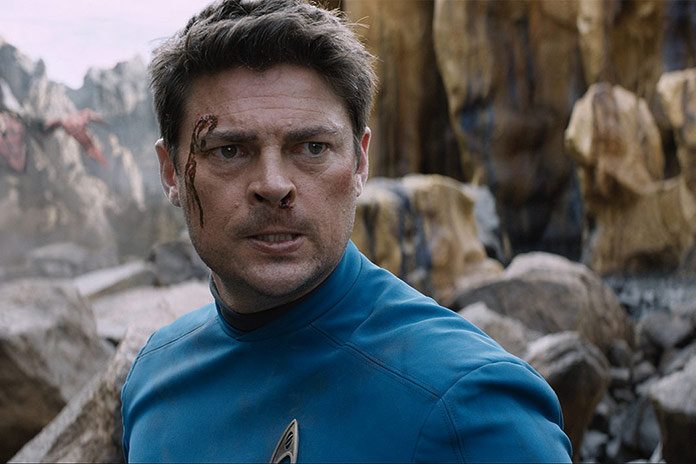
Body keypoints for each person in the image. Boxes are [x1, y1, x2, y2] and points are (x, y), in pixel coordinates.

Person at [120, 0, 573, 462]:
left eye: (312, 147)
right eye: (230, 151)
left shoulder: (471, 407)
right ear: (171, 172)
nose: (274, 185)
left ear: (359, 162)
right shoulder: (154, 380)